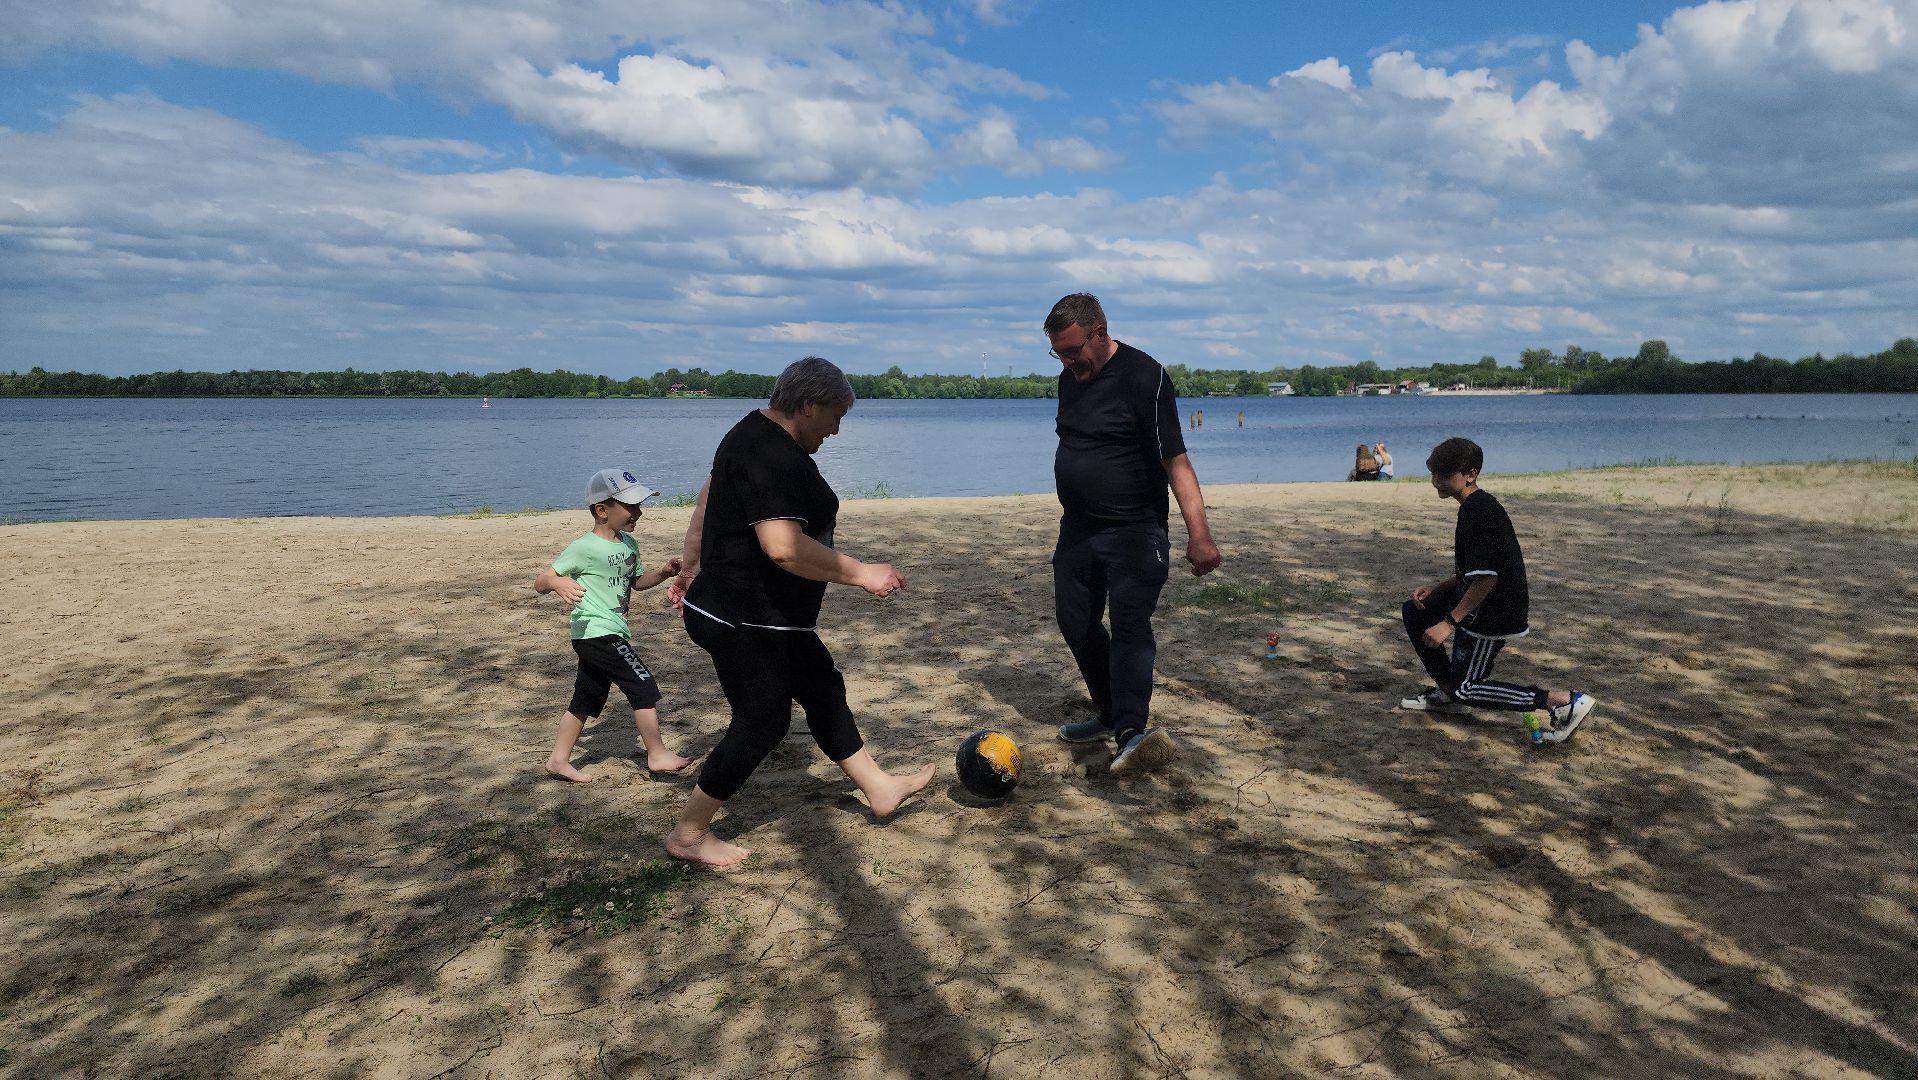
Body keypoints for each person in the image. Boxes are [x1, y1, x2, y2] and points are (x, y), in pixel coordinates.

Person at [663, 357, 935, 866]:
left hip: (760, 612)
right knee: (763, 721)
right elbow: (783, 547)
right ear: (807, 404)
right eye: (834, 415)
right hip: (744, 615)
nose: (835, 429)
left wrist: (692, 565)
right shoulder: (771, 453)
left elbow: (709, 497)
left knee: (821, 683)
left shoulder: (749, 433)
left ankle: (878, 787)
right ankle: (688, 834)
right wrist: (862, 572)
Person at [1045, 293, 1222, 776]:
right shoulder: (1070, 379)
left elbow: (1176, 461)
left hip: (1135, 530)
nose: (1067, 361)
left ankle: (1130, 731)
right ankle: (1108, 714)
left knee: (1128, 626)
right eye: (1058, 353)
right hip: (1078, 529)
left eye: (1073, 350)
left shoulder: (1146, 376)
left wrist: (1199, 535)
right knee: (1074, 622)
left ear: (1100, 332)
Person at [1398, 437, 1595, 742]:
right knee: (1416, 610)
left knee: (1467, 688)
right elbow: (1477, 571)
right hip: (1481, 598)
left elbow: (1488, 580)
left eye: (1443, 475)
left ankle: (1561, 700)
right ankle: (1448, 692)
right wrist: (1439, 588)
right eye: (1433, 474)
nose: (1435, 481)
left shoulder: (1478, 512)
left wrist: (1448, 624)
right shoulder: (1475, 506)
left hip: (1494, 610)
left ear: (1470, 474)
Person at [534, 469, 692, 783]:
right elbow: (541, 580)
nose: (639, 512)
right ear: (602, 510)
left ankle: (558, 759)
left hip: (609, 630)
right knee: (642, 684)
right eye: (630, 506)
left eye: (639, 505)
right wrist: (558, 582)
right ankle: (657, 754)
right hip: (595, 632)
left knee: (586, 698)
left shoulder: (629, 545)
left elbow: (636, 583)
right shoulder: (584, 547)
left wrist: (662, 572)